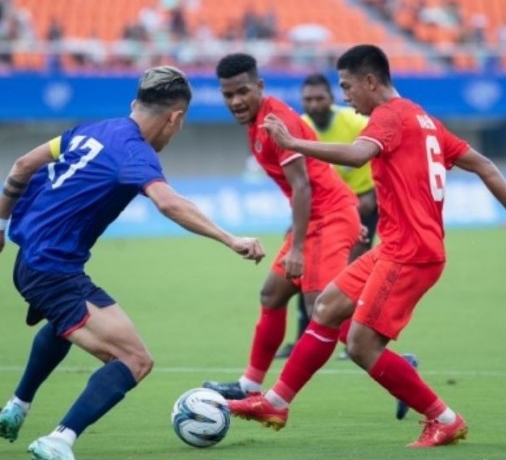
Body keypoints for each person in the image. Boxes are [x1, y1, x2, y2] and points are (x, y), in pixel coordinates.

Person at [0, 66, 264, 460]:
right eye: (179, 125)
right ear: (175, 118)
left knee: (64, 326)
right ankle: (59, 439)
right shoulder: (134, 153)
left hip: (30, 259)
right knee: (135, 359)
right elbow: (168, 202)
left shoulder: (89, 130)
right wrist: (231, 239)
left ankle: (18, 405)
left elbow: (22, 165)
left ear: (134, 105)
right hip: (52, 269)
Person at [229, 44, 506, 448]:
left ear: (370, 81)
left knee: (360, 345)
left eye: (347, 86)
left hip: (410, 253)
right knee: (325, 307)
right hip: (395, 246)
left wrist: (293, 144)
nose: (345, 96)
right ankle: (275, 402)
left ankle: (443, 418)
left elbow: (358, 156)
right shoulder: (423, 118)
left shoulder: (389, 117)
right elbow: (485, 165)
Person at [202, 53, 361, 401]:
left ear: (259, 86)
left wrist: (300, 247)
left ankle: (394, 362)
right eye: (228, 95)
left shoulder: (277, 121)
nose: (235, 101)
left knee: (323, 309)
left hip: (327, 217)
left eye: (242, 91)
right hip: (324, 215)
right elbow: (310, 180)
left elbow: (303, 186)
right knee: (271, 294)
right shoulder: (256, 121)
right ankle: (250, 385)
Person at [277, 73, 419, 420]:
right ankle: (305, 346)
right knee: (312, 292)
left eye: (320, 98)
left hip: (362, 208)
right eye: (307, 100)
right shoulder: (303, 125)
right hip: (327, 211)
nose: (313, 105)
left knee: (331, 293)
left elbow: (367, 155)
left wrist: (367, 196)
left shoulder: (353, 118)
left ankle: (282, 376)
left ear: (331, 98)